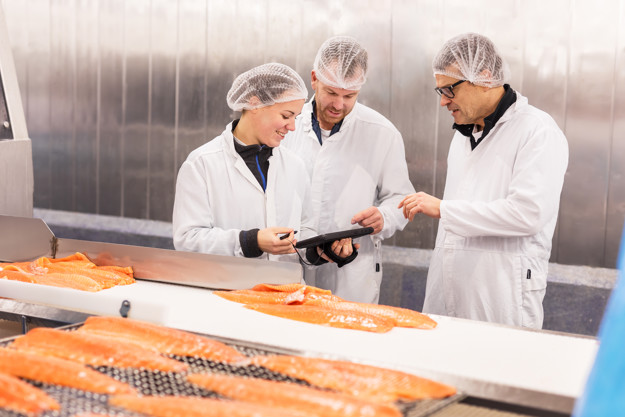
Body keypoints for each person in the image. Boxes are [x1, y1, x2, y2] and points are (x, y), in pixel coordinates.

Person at [398, 33, 569, 329]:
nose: (443, 102)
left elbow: (527, 215)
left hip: (502, 298)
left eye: (449, 90)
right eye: (439, 92)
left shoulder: (537, 131)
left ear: (485, 77)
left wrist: (444, 209)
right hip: (448, 290)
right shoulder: (463, 136)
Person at [173, 63, 355, 264]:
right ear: (255, 104)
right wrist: (252, 241)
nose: (292, 126)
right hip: (228, 290)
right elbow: (187, 240)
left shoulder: (294, 165)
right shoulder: (201, 164)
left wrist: (322, 251)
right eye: (286, 116)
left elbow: (304, 230)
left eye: (296, 117)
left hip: (284, 290)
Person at [281, 36, 415, 303]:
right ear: (314, 79)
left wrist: (384, 216)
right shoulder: (285, 125)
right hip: (287, 267)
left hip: (352, 274)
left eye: (349, 96)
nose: (339, 105)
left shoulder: (382, 134)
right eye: (331, 92)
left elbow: (401, 198)